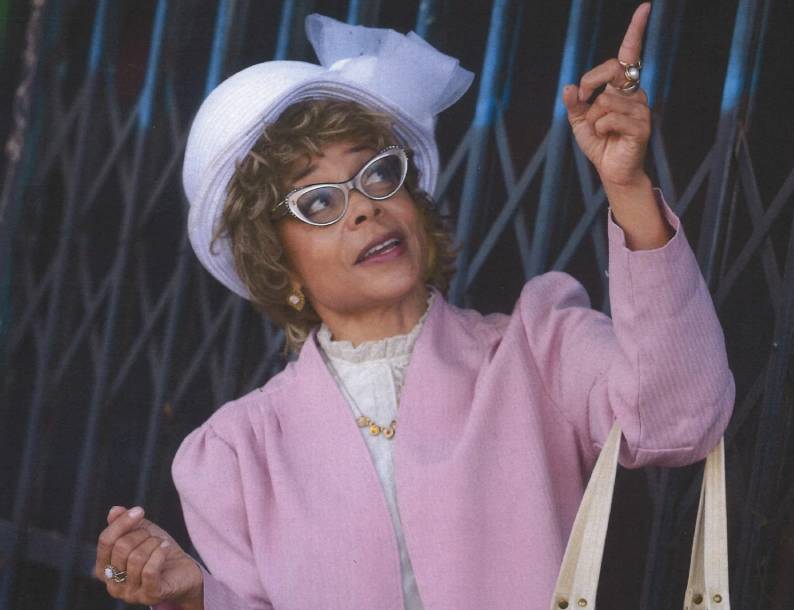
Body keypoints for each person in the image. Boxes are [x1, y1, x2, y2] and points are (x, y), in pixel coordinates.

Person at [94, 5, 735, 609]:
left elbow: (680, 423)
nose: (365, 207)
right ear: (277, 261)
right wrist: (195, 597)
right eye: (318, 202)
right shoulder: (234, 456)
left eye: (376, 173)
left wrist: (627, 189)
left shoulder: (540, 345)